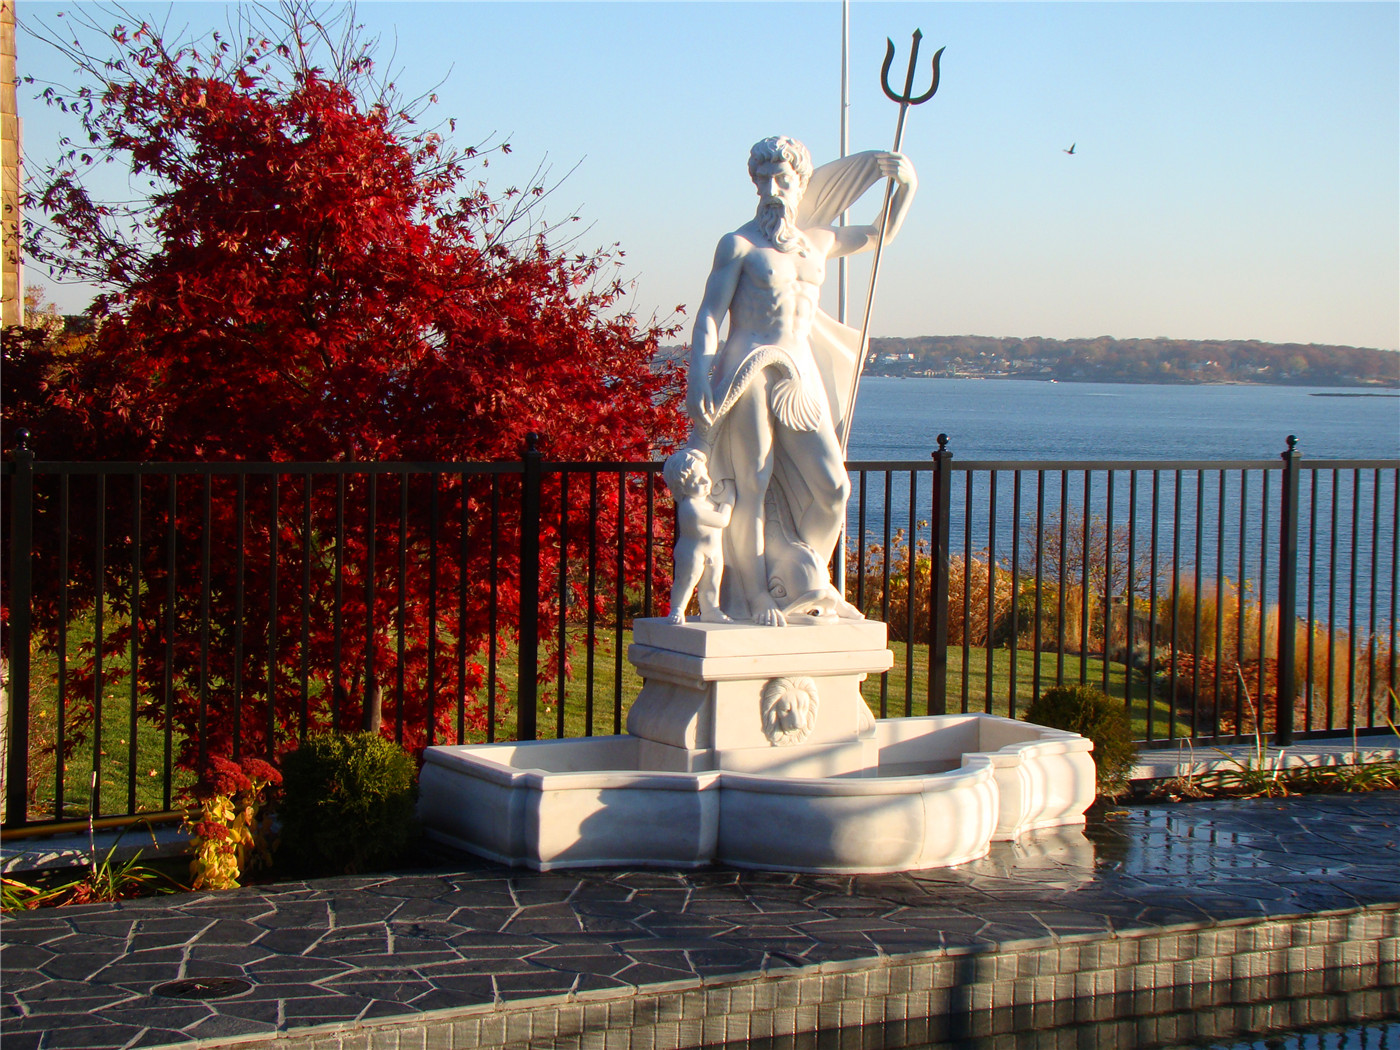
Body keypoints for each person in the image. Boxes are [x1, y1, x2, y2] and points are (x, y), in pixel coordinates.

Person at [686, 136, 917, 626]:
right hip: (748, 369)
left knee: (834, 489)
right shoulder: (738, 244)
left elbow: (879, 236)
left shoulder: (819, 242)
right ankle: (757, 596)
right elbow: (709, 315)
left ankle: (803, 580)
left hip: (800, 371)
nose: (771, 190)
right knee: (752, 485)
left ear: (801, 182)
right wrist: (697, 378)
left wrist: (906, 187)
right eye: (762, 180)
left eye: (782, 179)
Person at [663, 447, 736, 625]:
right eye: (698, 480)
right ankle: (678, 608)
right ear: (682, 487)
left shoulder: (707, 503)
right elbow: (722, 520)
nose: (706, 481)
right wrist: (729, 500)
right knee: (687, 580)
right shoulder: (690, 508)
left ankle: (711, 610)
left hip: (714, 551)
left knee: (712, 581)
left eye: (706, 475)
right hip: (692, 552)